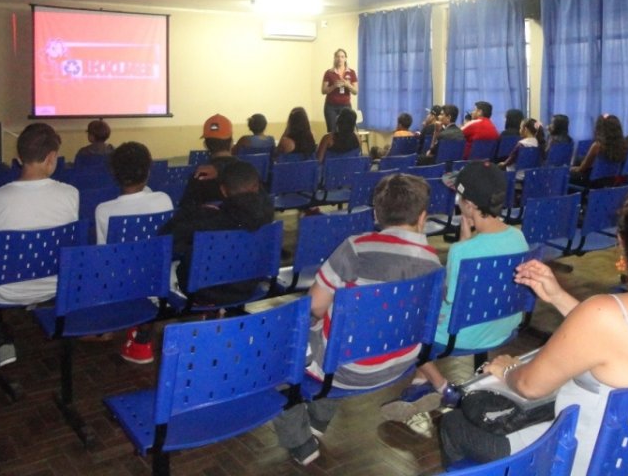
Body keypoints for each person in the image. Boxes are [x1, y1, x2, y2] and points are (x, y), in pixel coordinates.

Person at [438, 181, 628, 474]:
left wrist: (505, 370)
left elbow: (530, 387)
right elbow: (619, 339)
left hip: (586, 463)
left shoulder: (602, 314)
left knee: (453, 424)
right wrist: (558, 297)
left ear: (622, 242)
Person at [272, 173, 442, 465]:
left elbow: (314, 306)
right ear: (423, 217)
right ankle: (318, 420)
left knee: (276, 352)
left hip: (350, 370)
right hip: (399, 363)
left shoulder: (355, 247)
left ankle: (300, 442)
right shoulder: (433, 262)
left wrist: (315, 324)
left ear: (376, 213)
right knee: (337, 339)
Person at [380, 162, 529, 422]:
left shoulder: (462, 253)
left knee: (402, 327)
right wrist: (466, 232)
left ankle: (443, 387)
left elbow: (449, 297)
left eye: (459, 198)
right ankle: (418, 386)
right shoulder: (519, 237)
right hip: (503, 328)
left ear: (469, 205)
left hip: (460, 337)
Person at [0, 123, 79, 365]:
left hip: (6, 290)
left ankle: (1, 340)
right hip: (57, 284)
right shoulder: (71, 194)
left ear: (18, 158)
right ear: (51, 158)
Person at [93, 141, 175, 364]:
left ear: (114, 173)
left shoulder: (104, 210)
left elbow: (105, 256)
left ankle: (108, 328)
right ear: (148, 171)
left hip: (121, 286)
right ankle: (140, 335)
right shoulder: (164, 200)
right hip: (158, 282)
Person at [162, 159, 275, 305]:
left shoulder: (208, 220)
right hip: (248, 286)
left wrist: (197, 211)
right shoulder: (268, 214)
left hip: (204, 293)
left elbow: (167, 236)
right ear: (257, 187)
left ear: (223, 190)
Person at [178, 114, 238, 208]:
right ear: (231, 142)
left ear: (205, 145)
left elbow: (185, 209)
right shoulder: (247, 172)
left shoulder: (199, 176)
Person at [569, 114, 627, 186]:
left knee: (569, 175)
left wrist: (571, 169)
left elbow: (582, 169)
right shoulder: (623, 144)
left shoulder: (597, 146)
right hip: (611, 180)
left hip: (594, 182)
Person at [321, 48, 358, 133]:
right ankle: (333, 146)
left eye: (342, 57)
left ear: (345, 58)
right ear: (335, 58)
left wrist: (347, 85)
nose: (340, 59)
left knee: (346, 131)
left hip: (346, 106)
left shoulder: (351, 72)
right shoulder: (329, 73)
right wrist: (333, 86)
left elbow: (355, 91)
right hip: (331, 107)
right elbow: (323, 91)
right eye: (338, 56)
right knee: (332, 131)